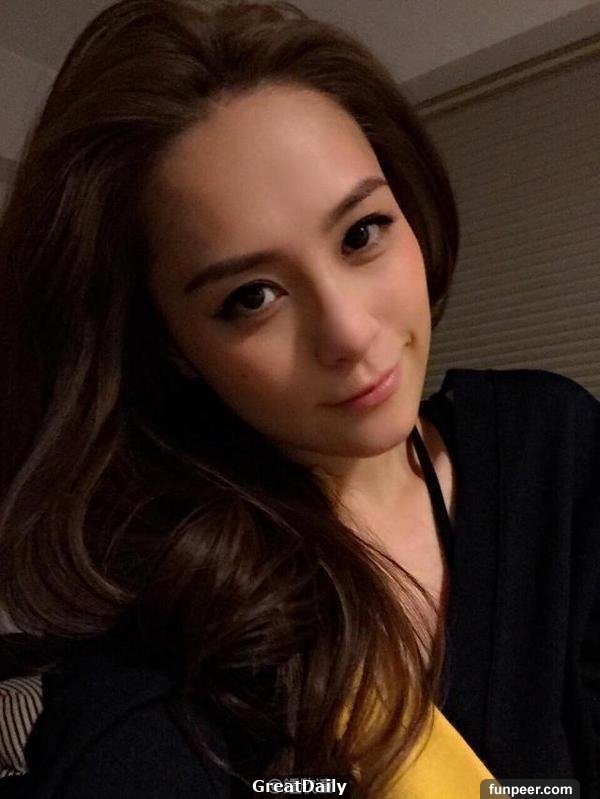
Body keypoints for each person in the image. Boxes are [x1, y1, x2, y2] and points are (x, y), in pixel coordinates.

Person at [0, 0, 598, 796]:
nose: (348, 332)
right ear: (170, 346)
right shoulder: (168, 641)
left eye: (362, 233)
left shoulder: (550, 447)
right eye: (251, 297)